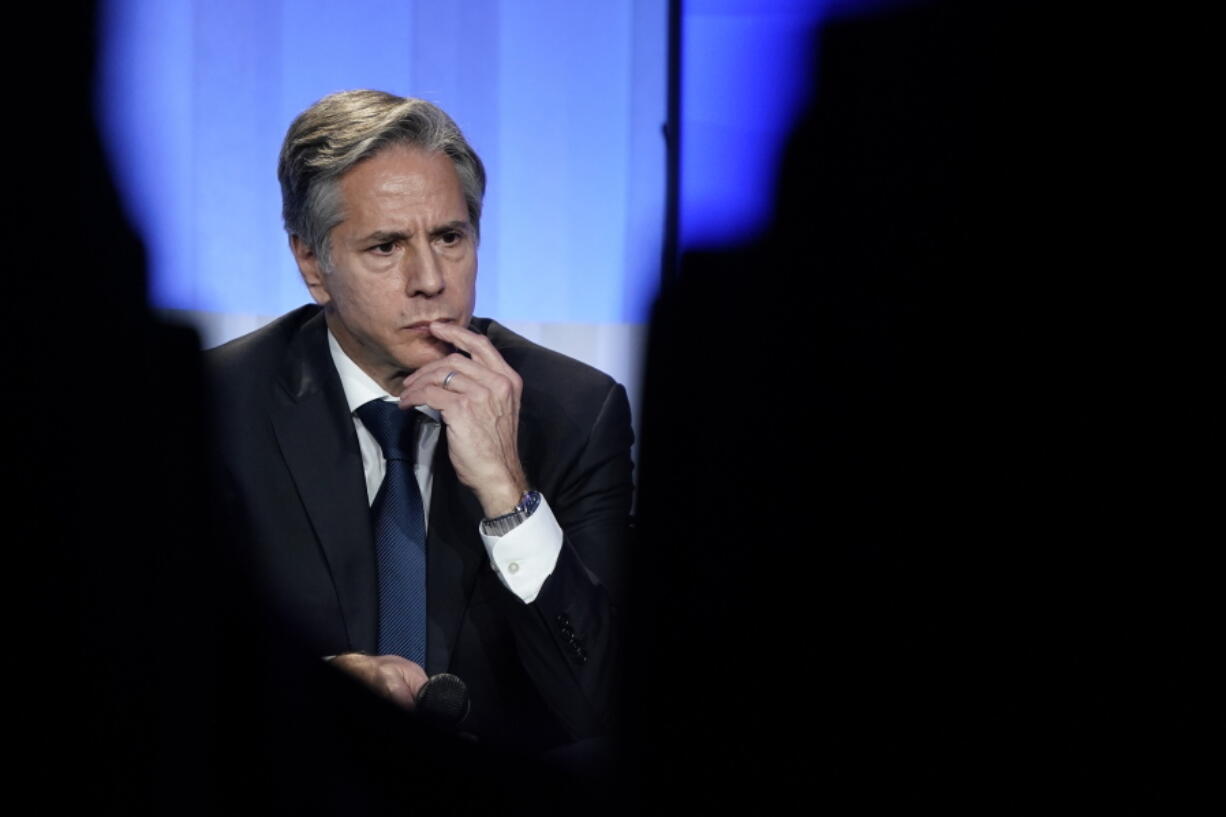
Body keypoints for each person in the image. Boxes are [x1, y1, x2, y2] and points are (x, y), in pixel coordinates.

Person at [207, 90, 633, 754]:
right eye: (386, 246)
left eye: (449, 237)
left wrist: (508, 496)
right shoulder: (221, 409)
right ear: (313, 265)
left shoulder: (575, 413)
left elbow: (602, 705)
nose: (430, 279)